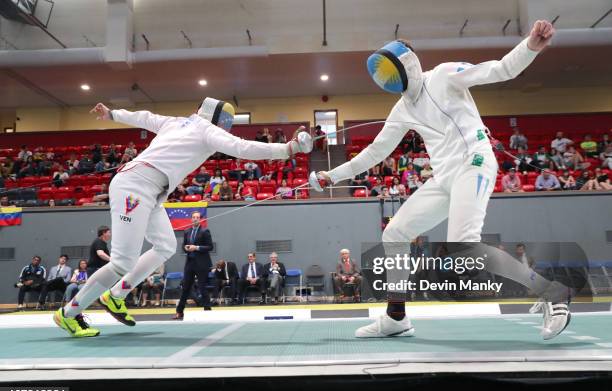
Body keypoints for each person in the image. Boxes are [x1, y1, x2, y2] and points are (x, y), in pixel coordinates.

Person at [314, 20, 569, 340]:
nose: (387, 80)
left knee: (464, 247)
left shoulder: (445, 75)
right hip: (445, 177)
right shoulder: (402, 107)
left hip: (474, 163)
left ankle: (552, 293)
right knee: (396, 232)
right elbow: (375, 152)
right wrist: (330, 175)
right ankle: (396, 316)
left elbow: (500, 69)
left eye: (391, 71)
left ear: (407, 63)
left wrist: (530, 46)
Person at [54, 98, 312, 338]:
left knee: (165, 245)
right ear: (216, 118)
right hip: (135, 186)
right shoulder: (206, 131)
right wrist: (288, 148)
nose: (227, 126)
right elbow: (243, 147)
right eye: (227, 121)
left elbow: (145, 117)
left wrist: (112, 113)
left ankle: (116, 294)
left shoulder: (177, 121)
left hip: (150, 191)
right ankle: (69, 314)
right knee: (122, 262)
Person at [173, 211, 214, 320]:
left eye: (197, 217)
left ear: (200, 219)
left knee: (202, 287)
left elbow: (210, 247)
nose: (195, 219)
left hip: (202, 264)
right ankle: (179, 312)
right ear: (191, 219)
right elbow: (183, 246)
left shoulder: (205, 231)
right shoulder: (187, 231)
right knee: (185, 287)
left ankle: (207, 311)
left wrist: (196, 247)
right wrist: (186, 248)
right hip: (190, 263)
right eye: (193, 217)